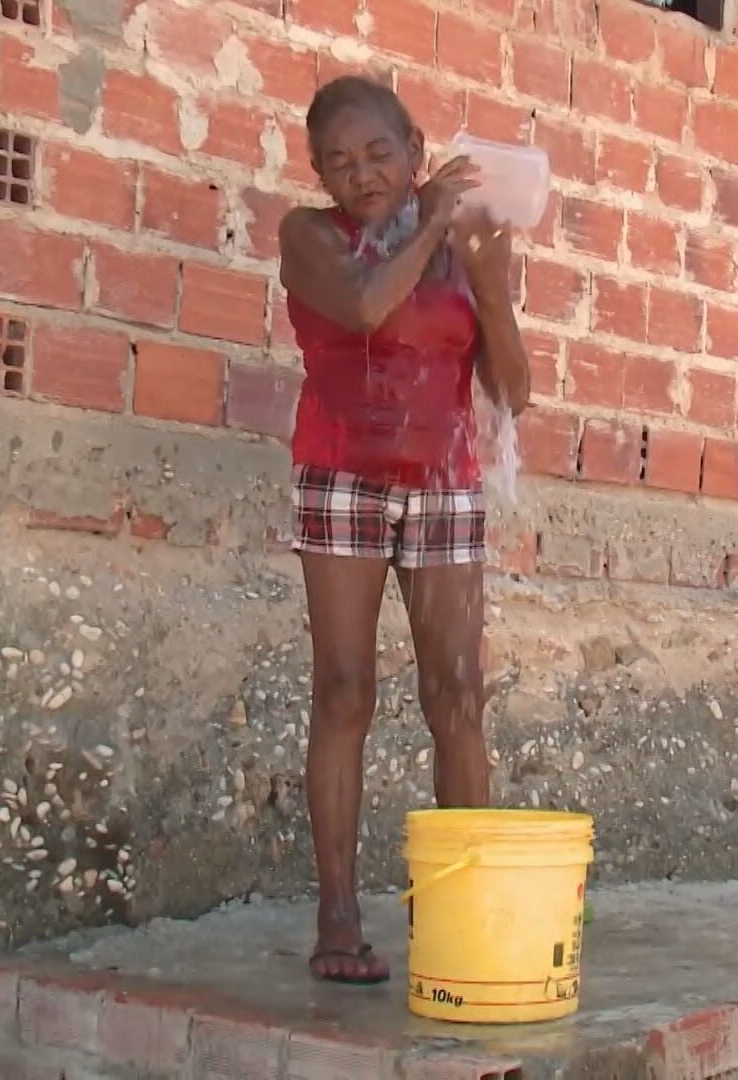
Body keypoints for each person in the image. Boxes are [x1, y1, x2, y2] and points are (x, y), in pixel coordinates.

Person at [277, 75, 530, 985]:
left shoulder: (470, 250)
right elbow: (361, 308)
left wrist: (494, 286)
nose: (360, 175)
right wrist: (430, 226)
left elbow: (512, 393)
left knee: (458, 693)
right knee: (345, 691)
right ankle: (339, 916)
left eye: (380, 153)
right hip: (340, 476)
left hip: (443, 482)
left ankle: (457, 910)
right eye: (338, 162)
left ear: (416, 148)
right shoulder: (308, 237)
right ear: (317, 172)